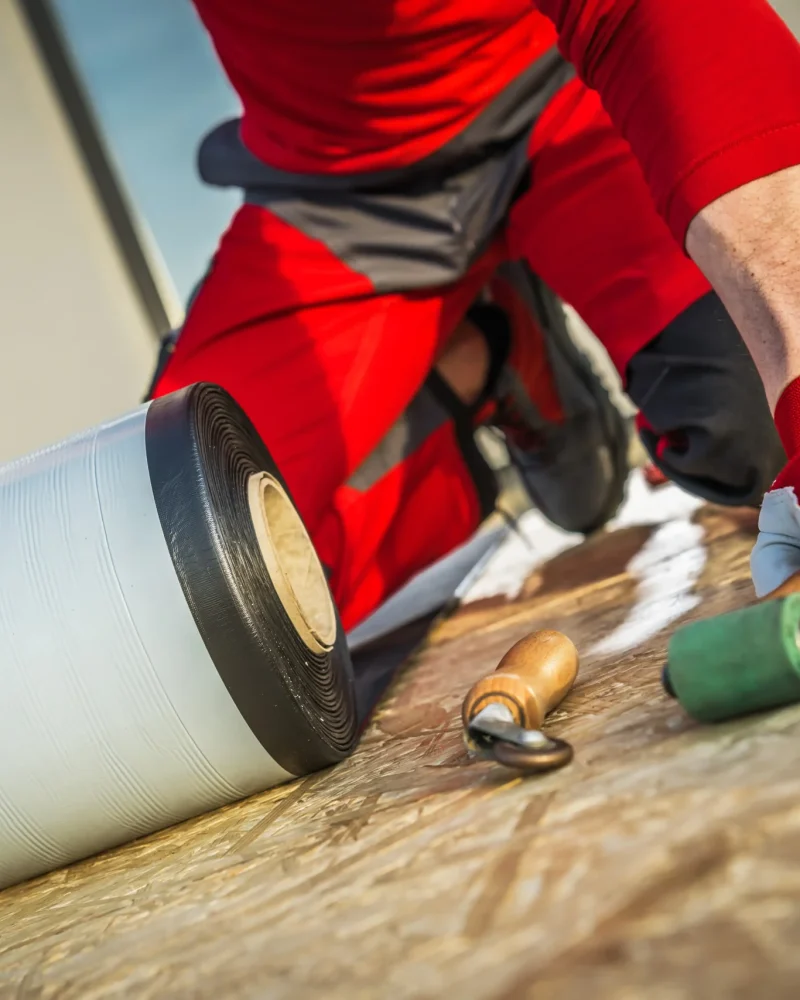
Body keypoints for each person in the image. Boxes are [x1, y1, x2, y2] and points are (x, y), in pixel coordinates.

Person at [150, 0, 800, 629]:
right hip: (333, 189)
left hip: (567, 87)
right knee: (193, 588)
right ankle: (487, 351)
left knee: (756, 433)